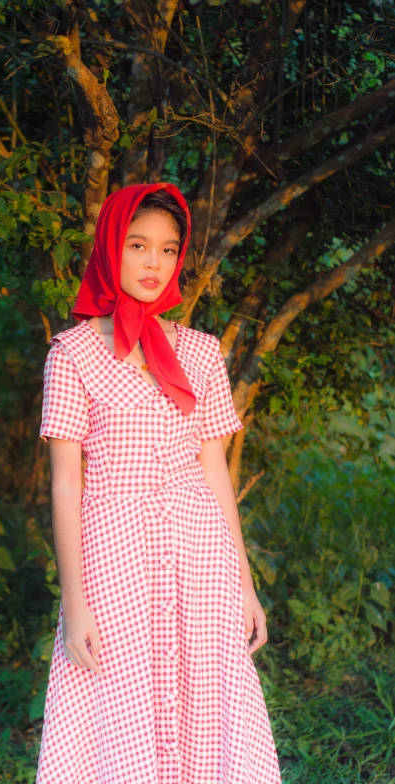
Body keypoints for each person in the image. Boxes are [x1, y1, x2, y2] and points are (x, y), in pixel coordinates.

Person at [36, 182, 282, 784]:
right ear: (109, 248)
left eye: (168, 250)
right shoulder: (71, 355)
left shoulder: (200, 353)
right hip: (115, 554)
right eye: (138, 245)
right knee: (119, 702)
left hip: (201, 553)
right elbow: (67, 484)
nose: (153, 262)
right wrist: (74, 601)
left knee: (204, 701)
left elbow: (215, 471)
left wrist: (245, 586)